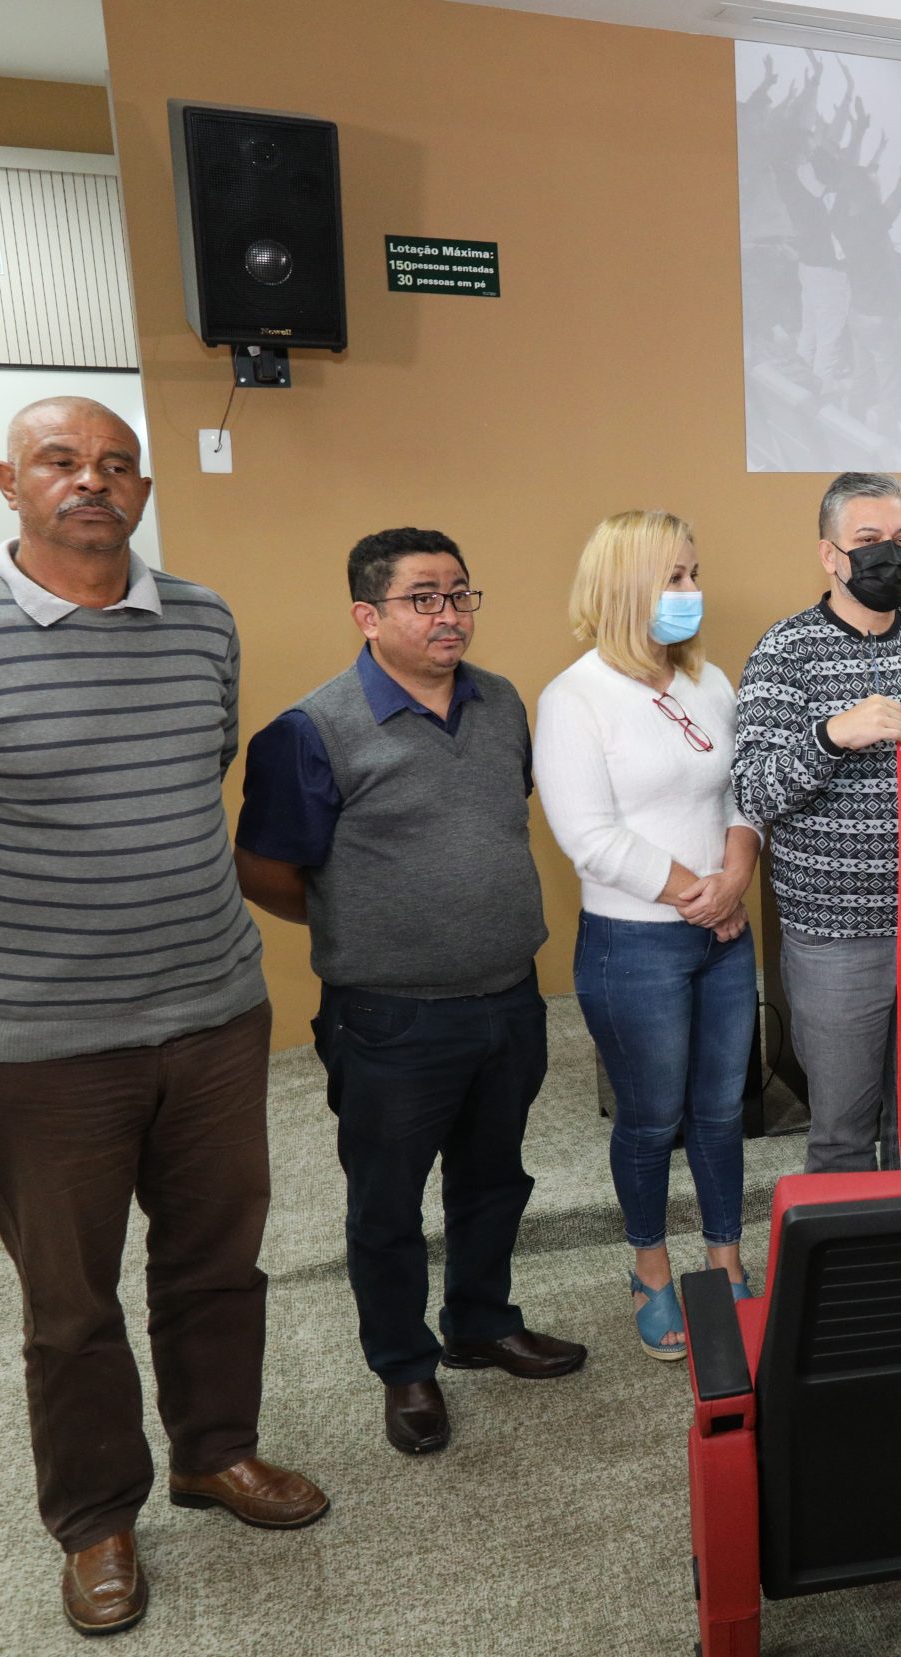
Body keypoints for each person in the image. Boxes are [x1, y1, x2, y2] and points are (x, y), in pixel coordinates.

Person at [0, 397, 322, 1637]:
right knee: (70, 1297)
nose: (90, 484)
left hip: (210, 1009)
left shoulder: (201, 620)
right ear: (11, 481)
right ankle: (98, 1515)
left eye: (114, 466)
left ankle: (217, 1451)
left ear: (141, 493)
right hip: (42, 1040)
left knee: (217, 1259)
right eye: (62, 463)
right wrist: (0, 925)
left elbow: (195, 763)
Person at [236, 528, 585, 1460]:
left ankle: (482, 1320)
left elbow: (497, 819)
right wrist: (366, 923)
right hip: (389, 1016)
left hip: (509, 996)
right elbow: (265, 870)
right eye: (424, 598)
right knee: (387, 1204)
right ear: (368, 615)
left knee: (495, 1177)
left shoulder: (503, 702)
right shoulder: (311, 730)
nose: (449, 615)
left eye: (462, 596)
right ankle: (404, 1363)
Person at [536, 511, 759, 1362]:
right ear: (623, 585)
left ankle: (726, 1263)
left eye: (694, 573)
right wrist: (699, 895)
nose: (692, 593)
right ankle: (650, 1270)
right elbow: (588, 835)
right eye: (674, 577)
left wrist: (732, 877)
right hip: (636, 944)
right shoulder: (576, 696)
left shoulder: (710, 682)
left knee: (719, 1112)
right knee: (651, 1116)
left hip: (725, 932)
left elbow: (743, 791)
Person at [732, 472, 901, 1171]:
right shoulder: (785, 650)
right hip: (835, 935)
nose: (891, 555)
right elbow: (752, 787)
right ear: (830, 555)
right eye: (869, 541)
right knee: (841, 1130)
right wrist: (833, 734)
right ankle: (846, 1277)